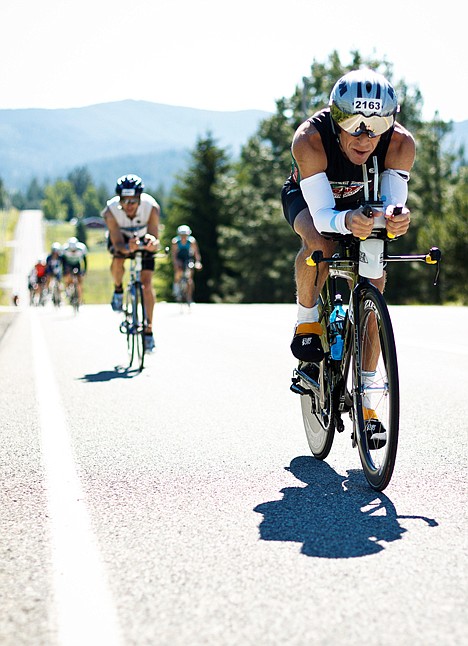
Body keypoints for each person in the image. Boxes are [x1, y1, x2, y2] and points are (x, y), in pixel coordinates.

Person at [281, 68, 414, 427]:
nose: (364, 135)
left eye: (377, 123)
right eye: (352, 121)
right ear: (335, 117)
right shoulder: (310, 139)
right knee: (320, 243)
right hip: (312, 201)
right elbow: (324, 214)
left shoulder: (400, 144)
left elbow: (391, 205)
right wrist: (347, 220)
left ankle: (369, 396)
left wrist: (395, 218)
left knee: (374, 270)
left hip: (362, 204)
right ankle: (307, 323)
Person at [102, 174, 161, 353]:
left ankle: (149, 332)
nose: (128, 206)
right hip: (122, 239)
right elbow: (118, 244)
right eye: (124, 201)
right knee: (118, 259)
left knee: (147, 283)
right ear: (119, 199)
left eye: (133, 201)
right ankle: (118, 290)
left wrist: (152, 244)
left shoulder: (151, 208)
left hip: (143, 238)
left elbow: (155, 239)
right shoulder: (110, 211)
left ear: (139, 199)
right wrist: (127, 247)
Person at [171, 225, 202, 304]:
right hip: (179, 258)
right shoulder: (175, 241)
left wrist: (198, 262)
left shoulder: (191, 241)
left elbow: (196, 253)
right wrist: (175, 263)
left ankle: (189, 297)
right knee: (178, 271)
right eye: (182, 235)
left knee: (189, 279)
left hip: (188, 258)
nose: (183, 237)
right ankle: (176, 289)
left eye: (185, 235)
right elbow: (174, 254)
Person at [61, 236, 88, 305]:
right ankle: (67, 290)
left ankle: (79, 298)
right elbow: (63, 261)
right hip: (68, 264)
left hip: (77, 264)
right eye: (71, 250)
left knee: (79, 280)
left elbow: (84, 260)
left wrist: (84, 270)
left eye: (74, 250)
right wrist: (64, 270)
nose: (73, 251)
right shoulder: (65, 249)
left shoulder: (81, 248)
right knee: (68, 277)